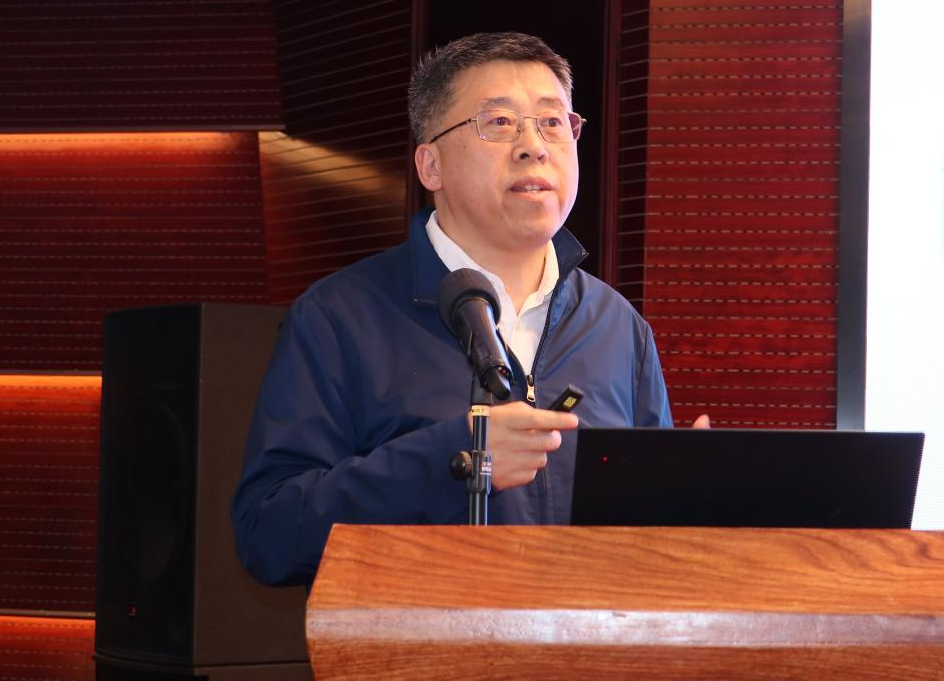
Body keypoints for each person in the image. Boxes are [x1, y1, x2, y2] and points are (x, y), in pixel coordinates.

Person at [232, 32, 700, 587]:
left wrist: (690, 497)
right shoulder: (339, 317)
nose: (534, 146)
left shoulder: (617, 325)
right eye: (499, 123)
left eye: (553, 122)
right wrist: (454, 460)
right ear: (431, 166)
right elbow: (269, 531)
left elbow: (651, 548)